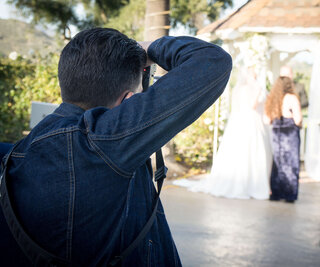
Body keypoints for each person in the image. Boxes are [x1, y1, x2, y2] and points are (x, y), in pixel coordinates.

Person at [0, 28, 232, 266]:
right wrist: (149, 48)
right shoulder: (105, 141)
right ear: (127, 101)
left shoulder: (20, 150)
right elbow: (212, 61)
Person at [174, 67, 273, 200]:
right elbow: (252, 106)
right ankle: (249, 184)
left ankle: (248, 182)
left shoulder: (239, 89)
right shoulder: (253, 89)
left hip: (239, 123)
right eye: (254, 75)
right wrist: (259, 91)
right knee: (250, 151)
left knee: (244, 153)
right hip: (250, 123)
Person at [265, 76, 302, 202]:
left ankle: (275, 192)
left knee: (278, 163)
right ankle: (289, 194)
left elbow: (267, 120)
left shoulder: (272, 99)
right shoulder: (292, 98)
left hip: (276, 132)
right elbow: (298, 119)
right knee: (291, 163)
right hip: (289, 132)